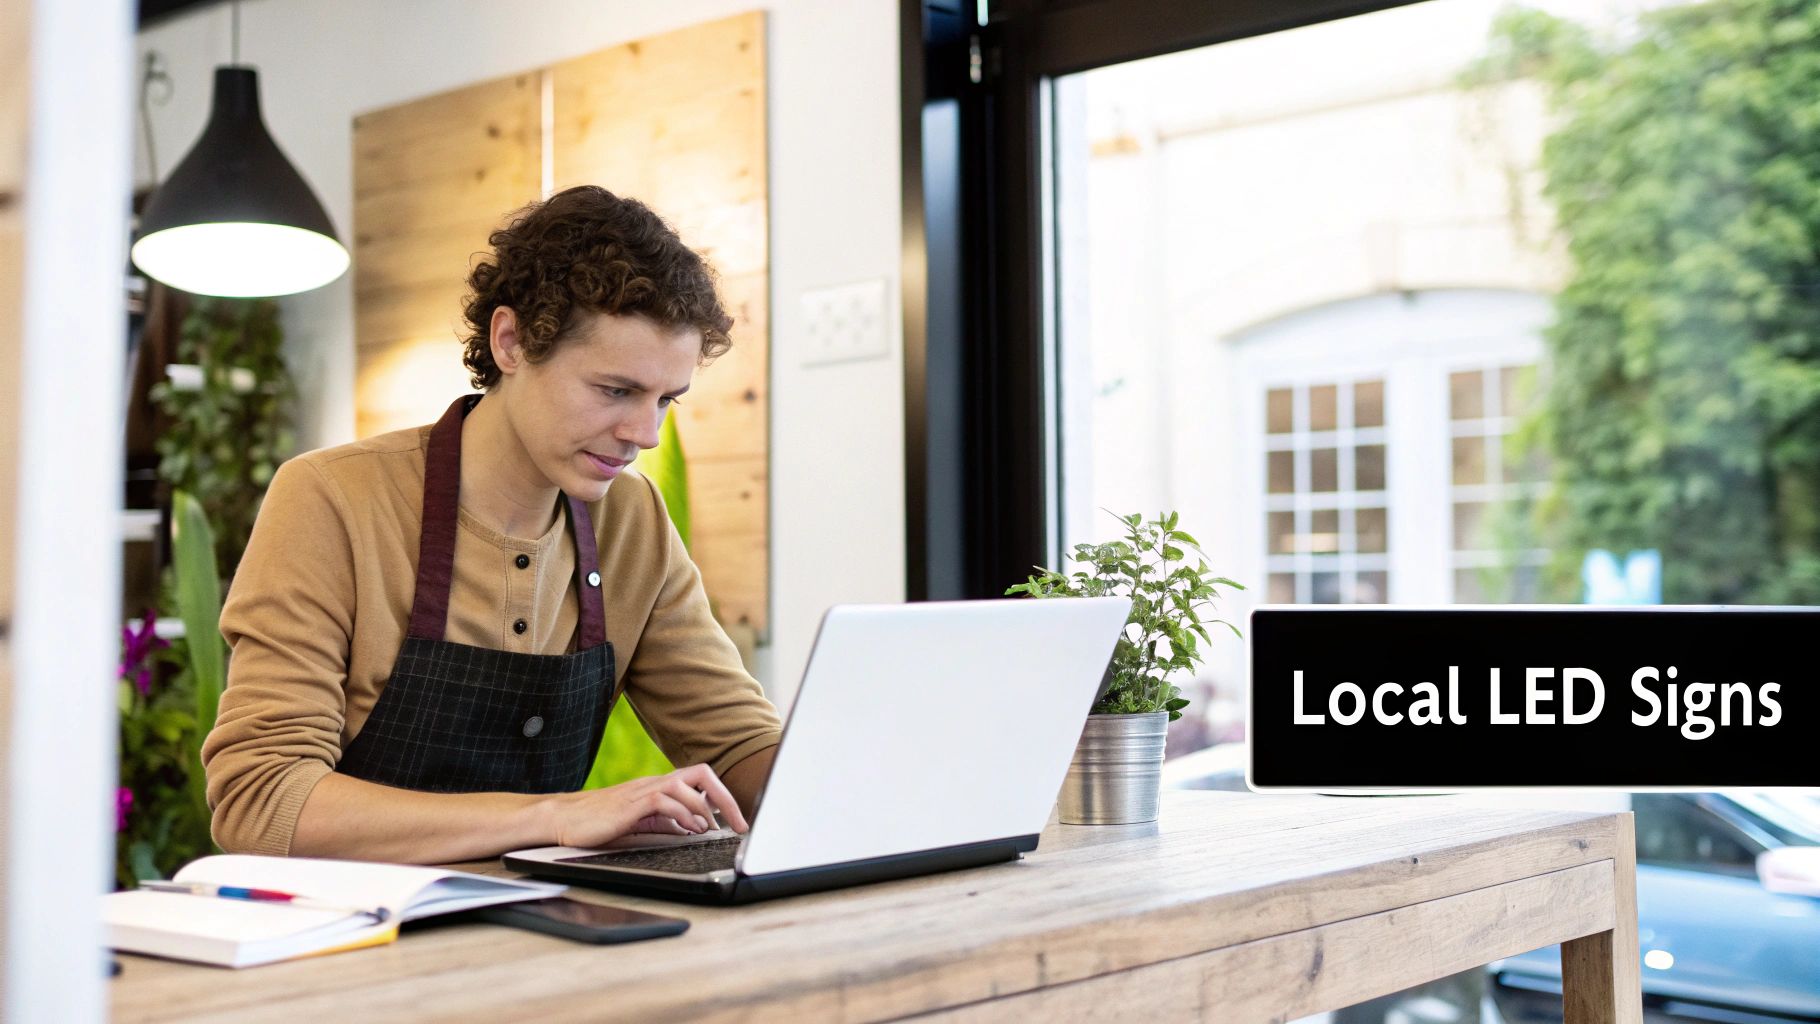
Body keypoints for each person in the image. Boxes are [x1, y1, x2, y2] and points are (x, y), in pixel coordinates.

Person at [201, 185, 781, 864]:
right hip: (350, 941)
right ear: (510, 341)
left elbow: (740, 747)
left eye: (666, 400)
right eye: (616, 390)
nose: (643, 434)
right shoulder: (331, 499)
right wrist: (556, 818)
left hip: (530, 935)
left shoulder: (634, 522)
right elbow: (261, 800)